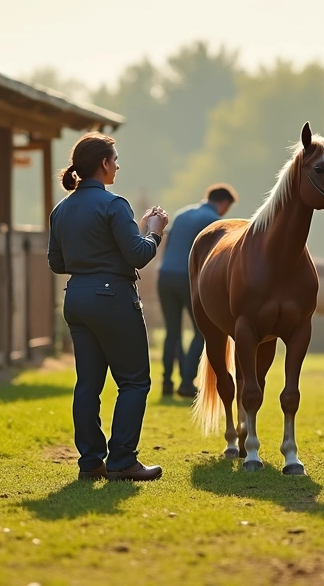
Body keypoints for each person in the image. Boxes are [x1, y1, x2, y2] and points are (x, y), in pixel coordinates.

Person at [48, 132, 168, 482]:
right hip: (113, 299)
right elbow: (139, 255)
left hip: (77, 298)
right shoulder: (114, 205)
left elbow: (57, 263)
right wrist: (155, 231)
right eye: (114, 159)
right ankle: (122, 461)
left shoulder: (61, 209)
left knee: (88, 383)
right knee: (134, 382)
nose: (117, 165)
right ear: (102, 163)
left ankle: (90, 463)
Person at [155, 183, 237, 398]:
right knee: (202, 331)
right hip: (188, 278)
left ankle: (166, 382)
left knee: (172, 332)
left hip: (165, 276)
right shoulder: (214, 222)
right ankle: (187, 382)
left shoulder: (182, 214)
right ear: (224, 203)